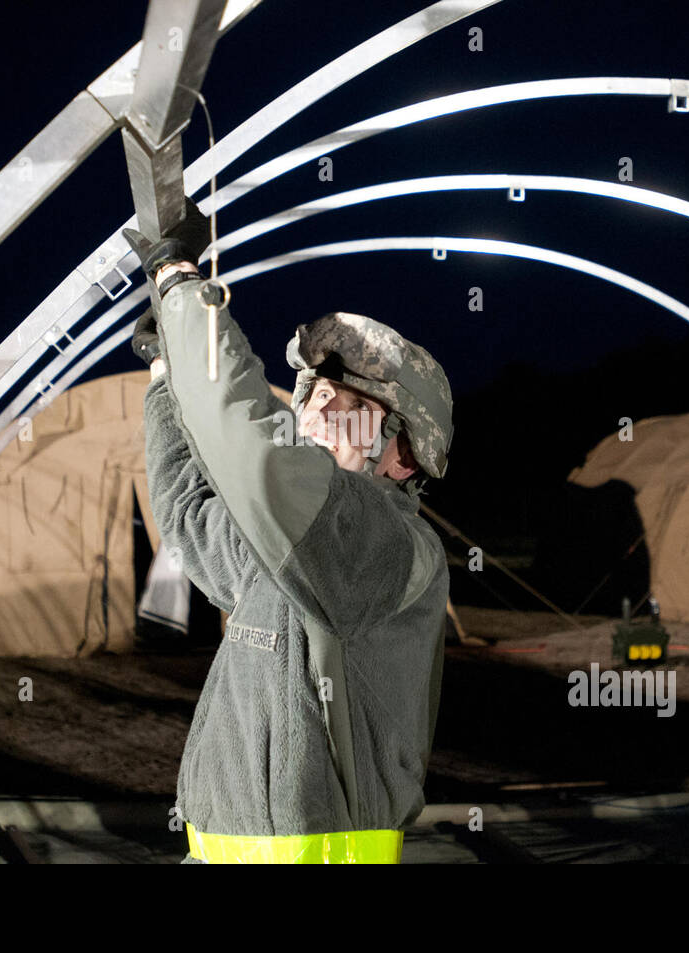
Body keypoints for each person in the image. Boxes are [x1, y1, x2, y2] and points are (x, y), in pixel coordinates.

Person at [123, 200, 453, 863]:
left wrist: (183, 289)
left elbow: (262, 462)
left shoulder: (392, 553)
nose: (311, 409)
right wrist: (167, 372)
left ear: (405, 452)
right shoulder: (287, 551)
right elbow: (189, 515)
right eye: (308, 395)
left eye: (341, 402)